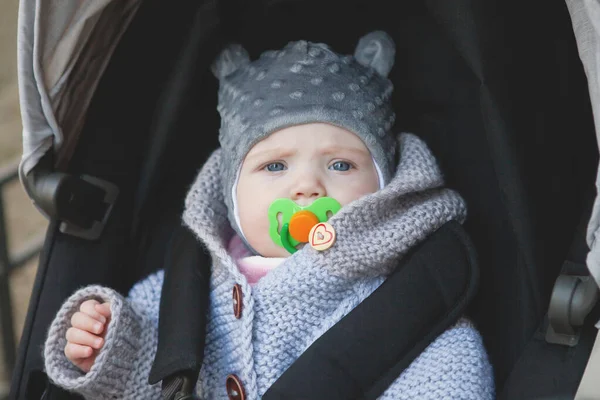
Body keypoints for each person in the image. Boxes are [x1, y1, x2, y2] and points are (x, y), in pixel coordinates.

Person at [43, 31, 495, 399]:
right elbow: (150, 373)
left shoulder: (402, 293)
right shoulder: (191, 280)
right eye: (274, 166)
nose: (307, 186)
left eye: (340, 165)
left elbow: (448, 371)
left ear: (385, 183)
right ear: (231, 196)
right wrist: (107, 345)